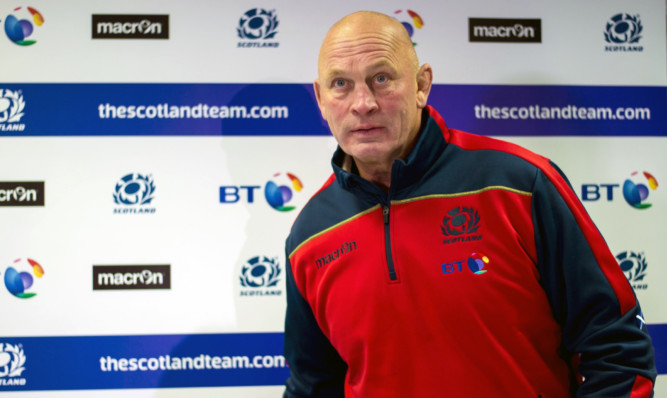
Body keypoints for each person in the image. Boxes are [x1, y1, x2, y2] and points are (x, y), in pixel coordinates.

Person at [283, 10, 656, 397]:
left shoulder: (520, 185)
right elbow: (313, 385)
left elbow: (616, 348)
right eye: (340, 84)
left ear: (421, 85)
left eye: (381, 79)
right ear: (321, 99)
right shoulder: (310, 233)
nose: (363, 103)